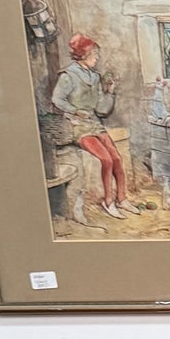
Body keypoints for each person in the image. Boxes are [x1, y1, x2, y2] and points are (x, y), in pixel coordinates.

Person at [52, 35, 134, 220]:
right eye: (94, 54)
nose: (97, 57)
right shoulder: (68, 75)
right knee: (106, 160)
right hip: (76, 125)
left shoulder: (95, 77)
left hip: (94, 123)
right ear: (83, 55)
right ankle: (109, 201)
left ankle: (122, 199)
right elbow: (57, 99)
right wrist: (75, 110)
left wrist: (110, 93)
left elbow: (101, 109)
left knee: (117, 158)